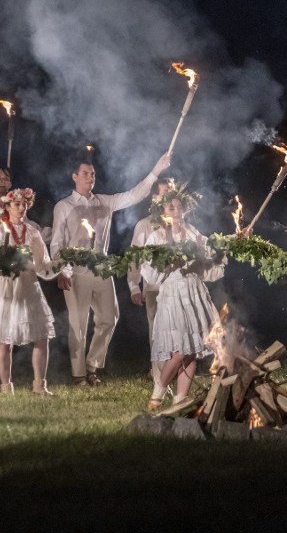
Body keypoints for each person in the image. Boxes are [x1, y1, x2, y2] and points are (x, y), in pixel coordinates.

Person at [51, 149, 172, 385]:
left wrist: (156, 171)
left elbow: (134, 195)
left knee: (109, 317)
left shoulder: (105, 202)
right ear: (74, 176)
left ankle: (91, 366)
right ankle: (78, 376)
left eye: (93, 174)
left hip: (101, 269)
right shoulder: (63, 206)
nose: (90, 177)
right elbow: (57, 242)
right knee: (78, 323)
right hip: (75, 270)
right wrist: (62, 270)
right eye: (85, 173)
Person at [140, 182, 225, 410]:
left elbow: (208, 262)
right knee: (177, 353)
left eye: (179, 207)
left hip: (193, 293)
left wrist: (224, 247)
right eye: (171, 208)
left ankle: (180, 398)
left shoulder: (193, 234)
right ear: (163, 212)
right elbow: (149, 272)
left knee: (191, 351)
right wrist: (166, 262)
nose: (176, 211)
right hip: (172, 294)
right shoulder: (157, 237)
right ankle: (159, 388)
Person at [0, 188, 58, 395]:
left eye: (24, 204)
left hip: (28, 287)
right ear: (7, 206)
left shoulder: (33, 232)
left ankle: (40, 385)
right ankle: (6, 386)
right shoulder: (0, 232)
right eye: (17, 204)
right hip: (6, 288)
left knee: (41, 337)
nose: (21, 208)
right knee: (5, 339)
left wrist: (61, 265)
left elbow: (43, 266)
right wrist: (1, 262)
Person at [127, 177, 171, 387]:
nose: (169, 197)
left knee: (177, 328)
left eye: (172, 192)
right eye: (164, 193)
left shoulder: (179, 224)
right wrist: (134, 286)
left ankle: (173, 372)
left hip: (177, 286)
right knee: (156, 330)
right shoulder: (144, 226)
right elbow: (134, 257)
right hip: (153, 286)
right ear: (155, 198)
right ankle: (158, 376)